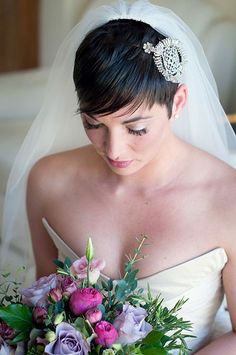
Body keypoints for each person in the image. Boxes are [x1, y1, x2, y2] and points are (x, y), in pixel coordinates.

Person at [1, 0, 236, 353]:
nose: (114, 150)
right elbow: (45, 306)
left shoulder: (227, 197)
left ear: (179, 102)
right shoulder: (48, 182)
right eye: (93, 124)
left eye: (136, 128)